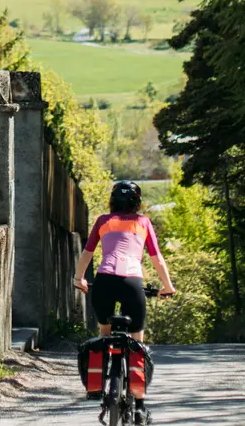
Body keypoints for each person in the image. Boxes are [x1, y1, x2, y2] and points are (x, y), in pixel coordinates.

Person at [74, 180, 175, 421]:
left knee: (105, 335)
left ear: (112, 201)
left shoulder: (102, 221)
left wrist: (79, 279)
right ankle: (139, 407)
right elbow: (156, 258)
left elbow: (87, 253)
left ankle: (105, 384)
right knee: (137, 345)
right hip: (132, 283)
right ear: (137, 203)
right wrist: (167, 286)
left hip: (104, 281)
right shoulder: (143, 223)